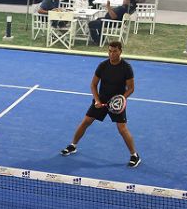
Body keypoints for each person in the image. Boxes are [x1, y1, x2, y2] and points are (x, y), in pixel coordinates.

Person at [59, 40, 140, 168]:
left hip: (116, 104)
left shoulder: (126, 68)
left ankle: (134, 155)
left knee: (122, 129)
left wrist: (120, 99)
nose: (112, 54)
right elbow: (93, 84)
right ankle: (73, 145)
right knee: (86, 122)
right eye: (110, 51)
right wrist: (97, 100)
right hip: (101, 100)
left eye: (115, 51)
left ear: (120, 51)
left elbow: (131, 88)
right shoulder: (103, 65)